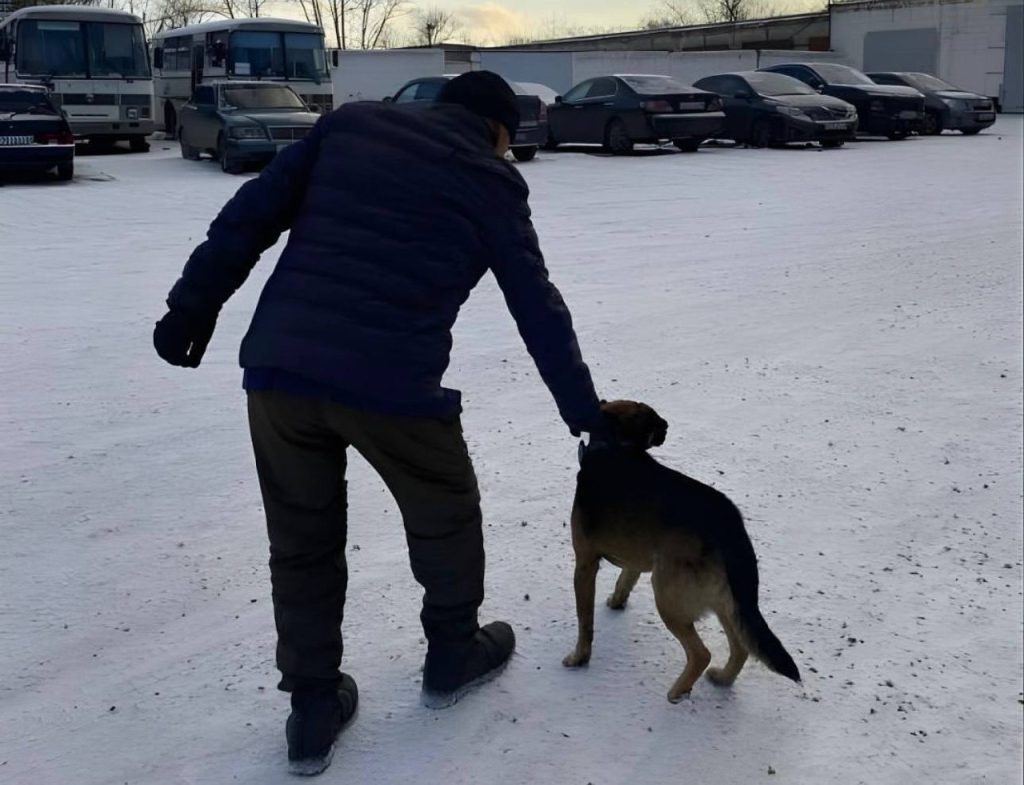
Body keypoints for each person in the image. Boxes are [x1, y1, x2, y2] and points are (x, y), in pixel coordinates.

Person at [153, 71, 606, 775]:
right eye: (507, 142)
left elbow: (253, 211)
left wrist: (191, 305)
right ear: (494, 128)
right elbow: (537, 306)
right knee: (445, 511)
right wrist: (585, 414)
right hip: (391, 382)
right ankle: (453, 650)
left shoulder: (350, 125)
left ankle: (310, 706)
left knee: (301, 540)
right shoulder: (491, 179)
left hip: (282, 371)